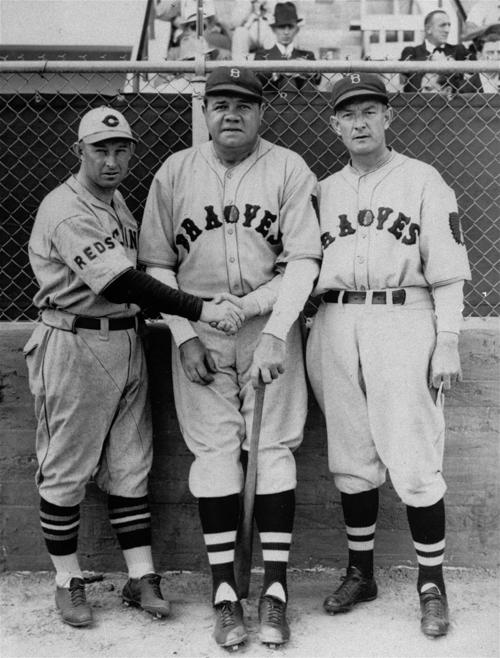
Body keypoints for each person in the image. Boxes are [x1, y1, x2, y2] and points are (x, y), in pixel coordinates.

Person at [24, 106, 244, 628]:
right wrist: (199, 307)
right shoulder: (66, 207)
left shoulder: (117, 199)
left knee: (130, 465)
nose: (112, 160)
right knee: (64, 470)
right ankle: (67, 580)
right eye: (100, 149)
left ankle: (140, 576)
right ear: (78, 151)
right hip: (74, 340)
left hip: (127, 342)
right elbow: (121, 282)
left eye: (121, 149)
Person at [138, 67, 322, 649]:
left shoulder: (288, 167)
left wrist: (274, 328)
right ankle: (224, 594)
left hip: (269, 326)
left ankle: (275, 592)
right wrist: (184, 332)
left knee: (273, 450)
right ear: (205, 110)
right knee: (214, 454)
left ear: (262, 111)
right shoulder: (175, 172)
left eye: (243, 104)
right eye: (219, 103)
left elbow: (304, 261)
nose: (230, 114)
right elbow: (155, 265)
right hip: (198, 331)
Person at [306, 74, 471, 638]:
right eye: (347, 114)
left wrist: (447, 337)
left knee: (414, 453)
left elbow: (448, 271)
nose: (358, 123)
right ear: (334, 123)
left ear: (387, 117)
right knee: (350, 454)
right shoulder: (322, 191)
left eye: (369, 111)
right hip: (333, 319)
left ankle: (432, 584)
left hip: (404, 316)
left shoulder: (423, 179)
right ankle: (361, 573)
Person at [254, 2, 321, 91]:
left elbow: (318, 80)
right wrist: (281, 71)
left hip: (303, 102)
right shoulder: (262, 55)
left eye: (290, 27)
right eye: (281, 27)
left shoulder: (307, 55)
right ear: (274, 29)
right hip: (273, 102)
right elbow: (258, 79)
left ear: (296, 29)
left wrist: (310, 72)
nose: (286, 32)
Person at [400, 10, 469, 92]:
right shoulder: (411, 52)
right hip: (418, 102)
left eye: (449, 25)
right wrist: (436, 61)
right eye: (442, 25)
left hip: (451, 102)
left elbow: (473, 76)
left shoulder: (459, 50)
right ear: (428, 29)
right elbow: (406, 73)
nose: (447, 30)